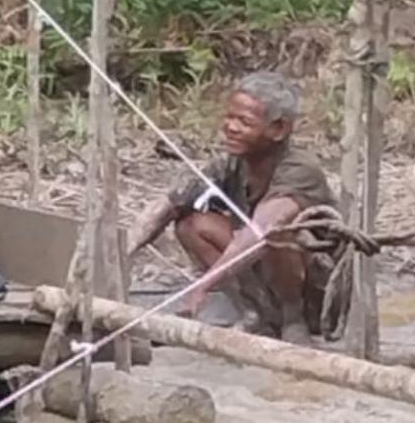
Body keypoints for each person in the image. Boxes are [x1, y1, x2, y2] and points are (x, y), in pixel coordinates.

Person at [127, 70, 336, 344]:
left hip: (317, 290)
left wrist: (204, 285)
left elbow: (262, 231)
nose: (231, 127)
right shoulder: (232, 164)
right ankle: (255, 313)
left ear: (279, 129)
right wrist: (122, 253)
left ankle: (293, 320)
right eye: (229, 118)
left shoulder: (301, 169)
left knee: (278, 235)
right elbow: (167, 205)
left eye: (244, 122)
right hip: (266, 273)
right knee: (191, 224)